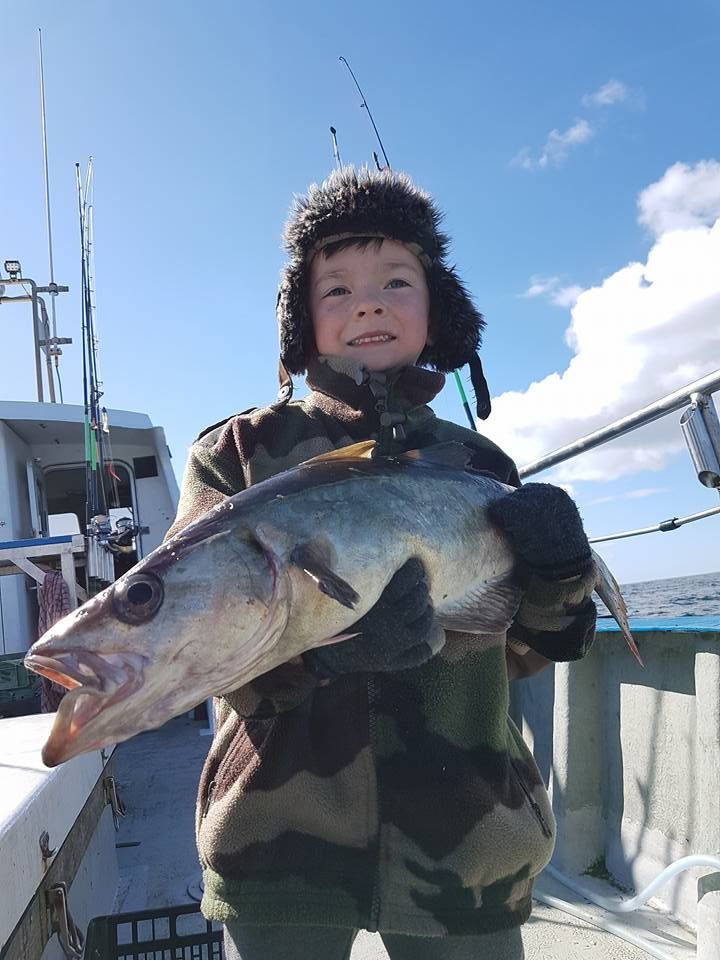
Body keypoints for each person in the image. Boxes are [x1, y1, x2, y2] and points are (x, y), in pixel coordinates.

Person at [166, 167, 597, 960]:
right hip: (275, 843)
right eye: (337, 289)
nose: (367, 303)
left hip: (468, 843)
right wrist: (323, 655)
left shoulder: (480, 463)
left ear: (439, 310)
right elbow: (195, 639)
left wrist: (563, 578)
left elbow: (524, 651)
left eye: (396, 281)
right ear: (303, 319)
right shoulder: (237, 455)